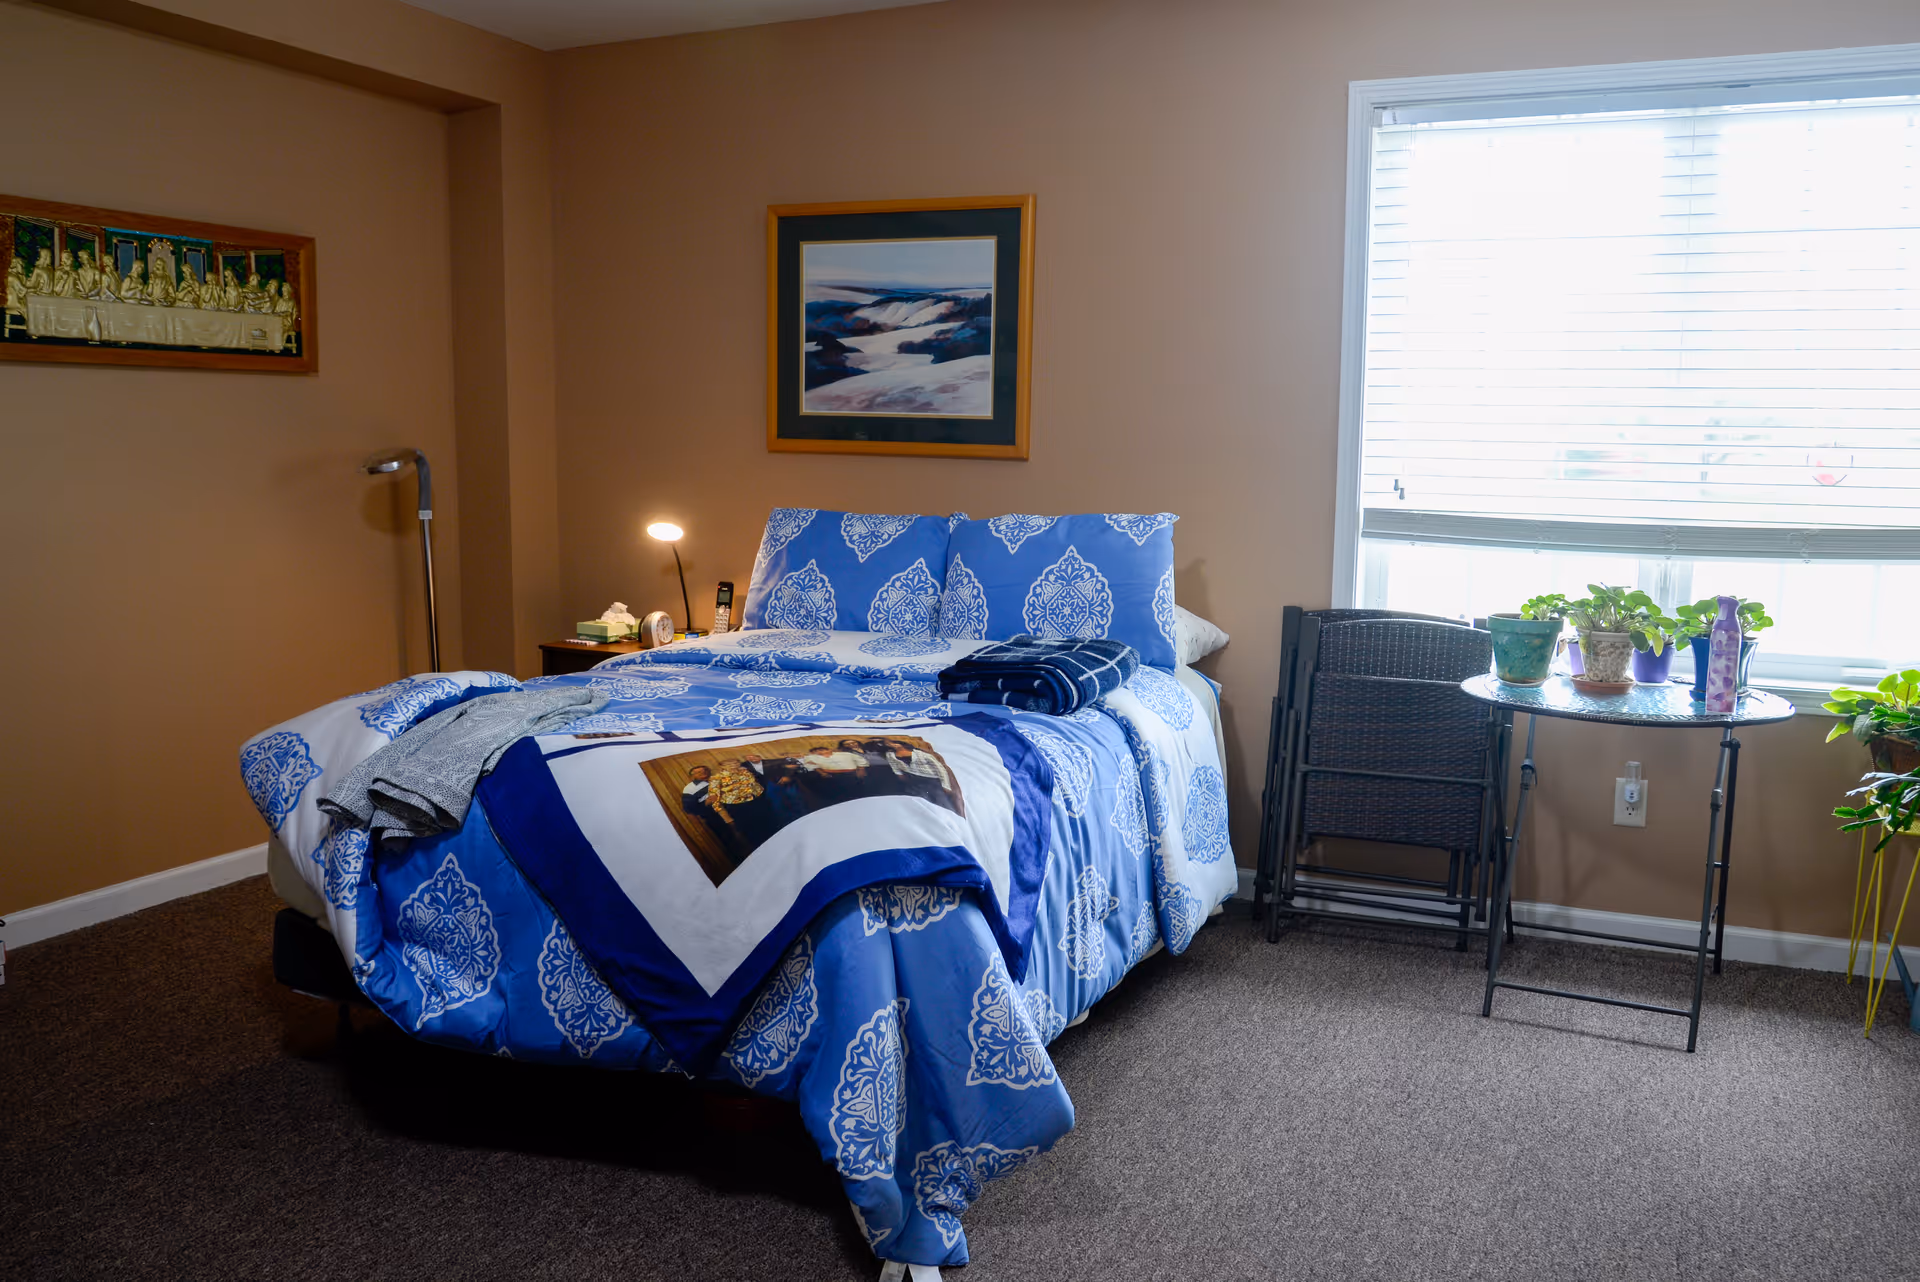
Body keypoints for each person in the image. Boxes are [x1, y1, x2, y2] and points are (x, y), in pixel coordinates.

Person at [680, 764, 746, 867]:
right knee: (730, 841)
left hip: (735, 810)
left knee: (746, 832)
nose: (703, 773)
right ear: (692, 776)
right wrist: (706, 802)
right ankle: (741, 864)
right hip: (715, 817)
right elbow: (689, 808)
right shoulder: (689, 789)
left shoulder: (718, 778)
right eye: (698, 772)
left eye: (704, 771)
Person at [708, 758, 777, 853]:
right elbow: (714, 798)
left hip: (756, 802)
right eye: (729, 763)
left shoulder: (745, 772)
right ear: (722, 766)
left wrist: (762, 798)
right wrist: (725, 817)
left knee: (768, 824)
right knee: (751, 831)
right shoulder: (716, 778)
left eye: (735, 762)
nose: (733, 765)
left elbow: (755, 785)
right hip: (738, 807)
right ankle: (763, 851)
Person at [887, 740, 959, 813]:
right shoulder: (890, 754)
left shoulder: (923, 755)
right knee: (916, 802)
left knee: (940, 800)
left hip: (931, 780)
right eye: (889, 744)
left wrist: (945, 785)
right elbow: (894, 766)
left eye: (893, 743)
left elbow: (940, 770)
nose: (890, 744)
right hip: (913, 780)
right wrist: (900, 775)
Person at [743, 752, 807, 832]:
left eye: (755, 755)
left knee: (795, 800)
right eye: (749, 756)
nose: (753, 758)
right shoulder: (743, 766)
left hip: (784, 784)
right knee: (777, 806)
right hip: (765, 789)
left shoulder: (772, 760)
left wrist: (787, 776)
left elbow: (793, 765)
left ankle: (804, 818)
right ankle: (787, 825)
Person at [798, 742, 869, 807]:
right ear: (812, 753)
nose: (820, 752)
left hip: (852, 773)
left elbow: (860, 760)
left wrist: (861, 769)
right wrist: (822, 773)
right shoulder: (811, 757)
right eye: (816, 751)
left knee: (857, 792)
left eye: (822, 750)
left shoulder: (846, 754)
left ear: (830, 750)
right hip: (830, 775)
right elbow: (811, 766)